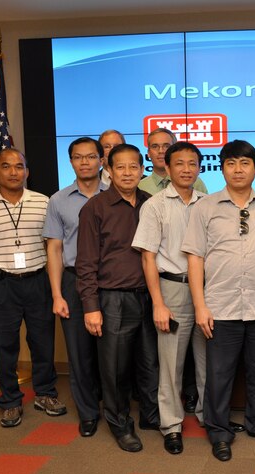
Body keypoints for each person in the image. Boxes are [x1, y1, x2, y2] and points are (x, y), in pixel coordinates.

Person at [182, 140, 255, 462]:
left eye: (245, 163)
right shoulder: (205, 207)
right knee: (219, 375)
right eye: (231, 163)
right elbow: (195, 258)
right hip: (220, 305)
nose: (238, 169)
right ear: (222, 167)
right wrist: (200, 305)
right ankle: (218, 431)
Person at [0, 148, 66, 427]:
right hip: (1, 285)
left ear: (27, 172)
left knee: (43, 342)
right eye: (6, 167)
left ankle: (45, 393)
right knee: (5, 346)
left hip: (37, 282)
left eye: (19, 166)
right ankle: (10, 400)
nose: (13, 172)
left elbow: (53, 246)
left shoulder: (44, 202)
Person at [77, 143, 159, 453]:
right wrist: (91, 307)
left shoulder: (150, 203)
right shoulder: (95, 208)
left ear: (142, 170)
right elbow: (85, 262)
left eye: (133, 167)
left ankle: (151, 416)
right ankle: (119, 422)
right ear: (108, 170)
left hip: (149, 296)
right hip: (112, 299)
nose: (127, 172)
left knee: (150, 363)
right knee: (114, 369)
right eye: (120, 167)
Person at [132, 141, 208, 455]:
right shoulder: (155, 205)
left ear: (200, 167)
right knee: (171, 363)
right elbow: (147, 258)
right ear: (168, 166)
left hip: (206, 291)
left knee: (207, 361)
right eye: (180, 163)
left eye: (192, 163)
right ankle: (172, 425)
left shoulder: (209, 203)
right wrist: (158, 303)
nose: (186, 169)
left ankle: (208, 416)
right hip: (172, 291)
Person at [43, 137, 106, 437]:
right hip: (73, 279)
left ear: (101, 160)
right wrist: (57, 294)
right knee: (79, 351)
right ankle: (88, 412)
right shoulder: (58, 200)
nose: (85, 162)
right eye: (78, 157)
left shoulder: (115, 193)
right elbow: (54, 249)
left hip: (110, 280)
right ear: (70, 162)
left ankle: (115, 406)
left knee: (110, 349)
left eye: (91, 156)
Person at [139, 128, 208, 195]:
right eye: (155, 146)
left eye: (166, 146)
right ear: (148, 152)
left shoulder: (195, 182)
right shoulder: (140, 187)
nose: (161, 151)